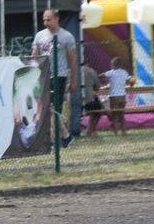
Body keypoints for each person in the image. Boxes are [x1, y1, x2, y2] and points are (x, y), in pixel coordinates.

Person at [31, 8, 79, 147]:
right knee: (47, 108)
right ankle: (66, 137)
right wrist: (33, 71)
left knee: (52, 107)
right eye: (44, 19)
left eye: (49, 19)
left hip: (60, 75)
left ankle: (51, 140)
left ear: (56, 19)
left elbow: (72, 60)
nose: (46, 22)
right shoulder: (40, 36)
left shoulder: (67, 36)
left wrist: (73, 80)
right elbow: (35, 55)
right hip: (43, 76)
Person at [103, 57, 136, 135]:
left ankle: (116, 132)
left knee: (115, 115)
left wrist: (104, 78)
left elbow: (103, 75)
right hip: (122, 96)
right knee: (121, 114)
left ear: (113, 65)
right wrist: (131, 84)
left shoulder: (111, 72)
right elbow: (131, 79)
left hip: (114, 96)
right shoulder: (124, 72)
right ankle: (124, 131)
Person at [80, 62, 105, 137]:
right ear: (87, 63)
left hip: (77, 102)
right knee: (98, 109)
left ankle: (89, 131)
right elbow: (97, 87)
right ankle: (91, 130)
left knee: (97, 106)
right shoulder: (91, 71)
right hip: (89, 101)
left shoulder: (73, 71)